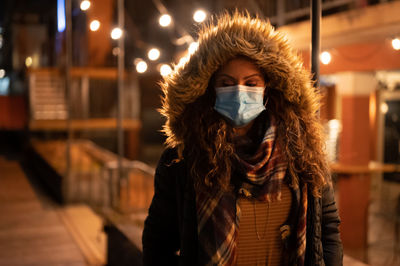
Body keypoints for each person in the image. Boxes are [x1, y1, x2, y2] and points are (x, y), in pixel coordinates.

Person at [142, 11, 343, 266]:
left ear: (268, 87)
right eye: (227, 83)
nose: (239, 91)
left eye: (251, 83)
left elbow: (328, 228)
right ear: (209, 89)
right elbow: (158, 243)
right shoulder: (183, 160)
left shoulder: (302, 151)